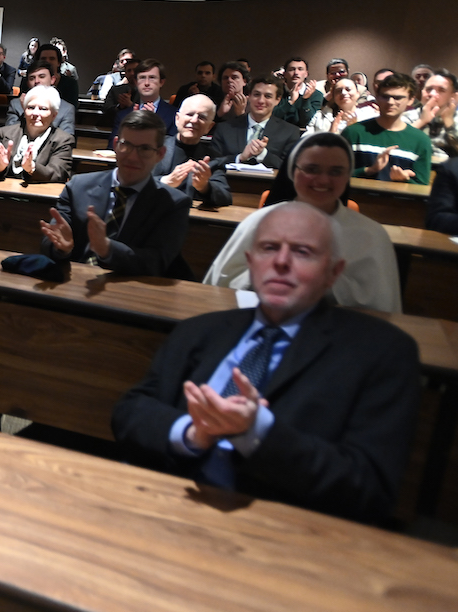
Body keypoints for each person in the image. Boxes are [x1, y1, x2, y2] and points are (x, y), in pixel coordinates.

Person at [116, 201, 419, 523]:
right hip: (167, 507)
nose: (281, 262)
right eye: (269, 248)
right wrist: (192, 432)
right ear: (250, 261)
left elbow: (369, 488)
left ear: (334, 273)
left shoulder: (382, 352)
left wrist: (256, 432)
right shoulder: (199, 330)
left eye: (303, 252)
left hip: (286, 530)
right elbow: (131, 411)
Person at [205, 133, 402, 313]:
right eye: (312, 169)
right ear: (293, 172)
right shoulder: (260, 221)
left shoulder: (371, 235)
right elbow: (222, 283)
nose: (323, 180)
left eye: (336, 171)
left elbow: (380, 307)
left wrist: (320, 280)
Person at [41, 110, 191, 278]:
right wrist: (61, 248)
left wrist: (108, 249)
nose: (133, 157)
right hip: (74, 284)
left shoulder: (173, 203)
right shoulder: (78, 186)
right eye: (126, 145)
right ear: (115, 145)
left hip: (131, 294)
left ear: (160, 154)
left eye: (145, 149)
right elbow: (50, 243)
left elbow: (157, 263)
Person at [345, 72, 432, 185]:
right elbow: (335, 175)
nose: (390, 102)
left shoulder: (421, 140)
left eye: (398, 98)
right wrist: (369, 170)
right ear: (377, 97)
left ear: (411, 100)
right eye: (385, 96)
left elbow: (422, 186)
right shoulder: (354, 133)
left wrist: (404, 179)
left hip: (398, 201)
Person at [0, 85, 74, 183]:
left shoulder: (63, 140)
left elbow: (58, 174)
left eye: (43, 109)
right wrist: (0, 165)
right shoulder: (7, 133)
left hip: (39, 196)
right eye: (31, 107)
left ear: (54, 115)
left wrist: (32, 168)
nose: (35, 113)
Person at [153, 95, 232, 208]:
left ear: (209, 127)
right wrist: (166, 181)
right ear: (177, 119)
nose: (194, 120)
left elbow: (225, 197)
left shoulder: (213, 158)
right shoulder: (153, 147)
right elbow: (133, 183)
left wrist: (204, 186)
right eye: (190, 114)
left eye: (202, 117)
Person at [209, 73, 301, 171]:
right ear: (249, 96)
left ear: (277, 100)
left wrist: (263, 154)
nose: (261, 101)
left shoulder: (290, 132)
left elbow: (291, 168)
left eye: (268, 96)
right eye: (257, 95)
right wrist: (239, 158)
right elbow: (213, 162)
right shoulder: (225, 129)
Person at [5, 61, 75, 136]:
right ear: (28, 83)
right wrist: (25, 111)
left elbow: (66, 138)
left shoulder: (67, 109)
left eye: (42, 76)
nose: (37, 81)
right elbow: (9, 134)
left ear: (52, 80)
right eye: (32, 78)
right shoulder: (16, 104)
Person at [111, 58, 176, 140]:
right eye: (142, 78)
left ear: (161, 82)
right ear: (136, 82)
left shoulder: (174, 114)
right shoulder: (122, 115)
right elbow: (113, 147)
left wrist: (152, 126)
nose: (147, 83)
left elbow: (172, 149)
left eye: (152, 77)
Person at [407, 70, 458, 162]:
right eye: (428, 89)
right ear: (422, 91)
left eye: (441, 90)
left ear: (453, 96)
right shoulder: (408, 116)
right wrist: (421, 121)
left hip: (448, 172)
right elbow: (394, 143)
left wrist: (448, 121)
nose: (432, 94)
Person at [305, 78, 376, 135]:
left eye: (348, 89)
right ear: (334, 96)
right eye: (338, 91)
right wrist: (330, 134)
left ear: (358, 94)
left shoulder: (370, 115)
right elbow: (306, 143)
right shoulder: (319, 116)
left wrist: (356, 129)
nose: (343, 93)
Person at [271, 57, 323, 128]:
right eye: (292, 69)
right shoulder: (275, 92)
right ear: (285, 74)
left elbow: (306, 121)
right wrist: (290, 102)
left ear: (306, 74)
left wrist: (305, 100)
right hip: (276, 132)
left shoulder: (316, 95)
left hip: (303, 135)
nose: (296, 73)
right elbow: (271, 117)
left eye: (300, 69)